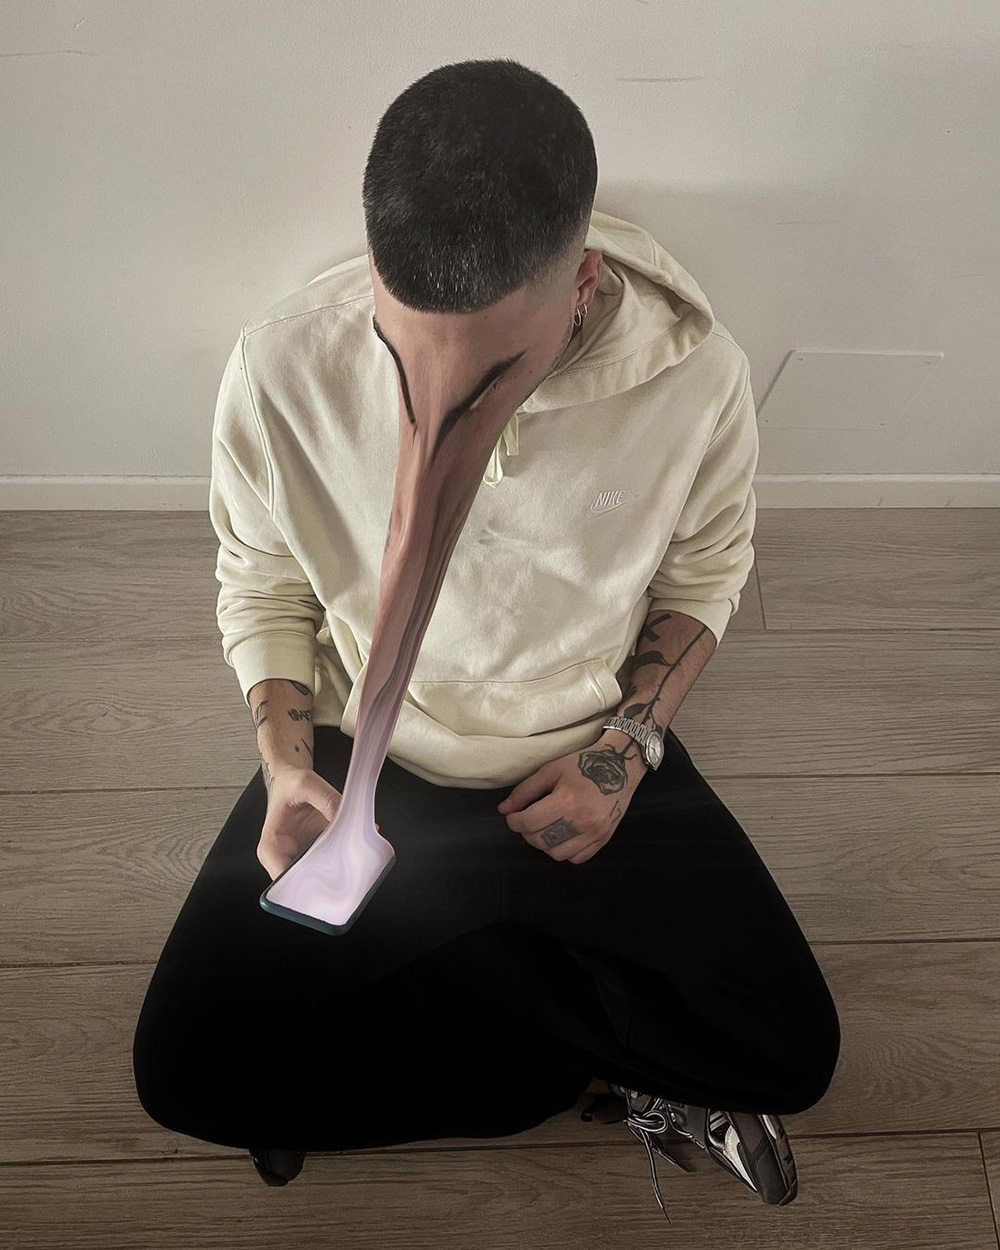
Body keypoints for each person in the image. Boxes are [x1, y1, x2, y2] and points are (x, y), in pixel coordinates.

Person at [132, 58, 840, 1223]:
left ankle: (458, 990)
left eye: (494, 369)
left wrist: (624, 752)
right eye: (403, 349)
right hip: (373, 769)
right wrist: (286, 762)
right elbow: (260, 577)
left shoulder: (697, 377)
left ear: (582, 285)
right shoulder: (279, 364)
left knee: (792, 1050)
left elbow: (704, 576)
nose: (440, 404)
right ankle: (597, 1058)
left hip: (577, 758)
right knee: (183, 1073)